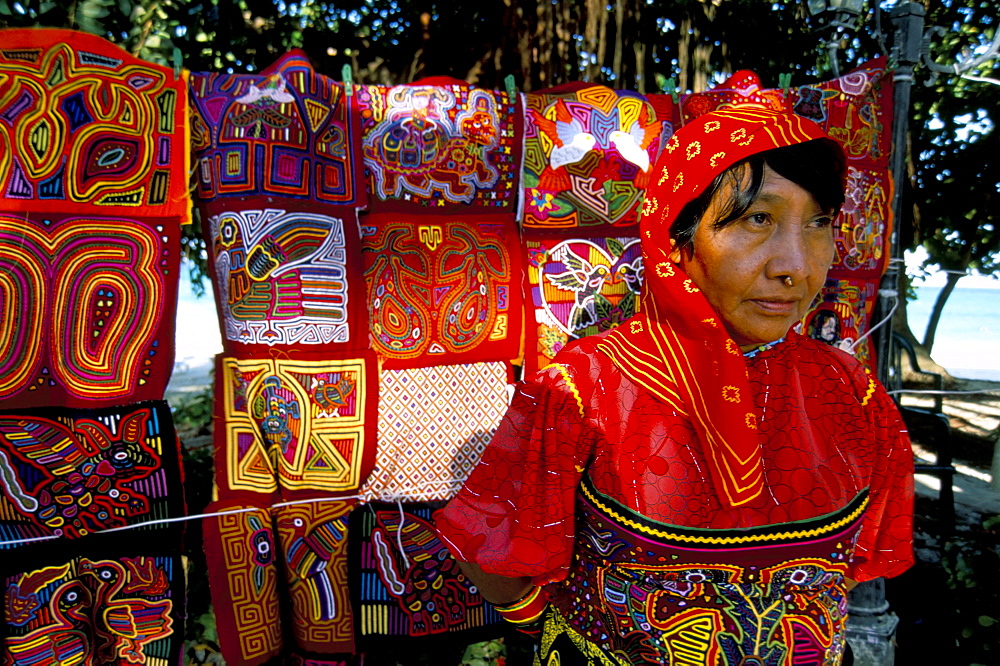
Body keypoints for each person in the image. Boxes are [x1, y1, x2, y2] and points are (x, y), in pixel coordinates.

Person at [435, 105, 914, 665]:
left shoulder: (849, 388)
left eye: (819, 222)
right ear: (675, 239)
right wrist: (555, 631)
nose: (795, 266)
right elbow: (492, 553)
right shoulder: (586, 384)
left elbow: (857, 562)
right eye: (758, 219)